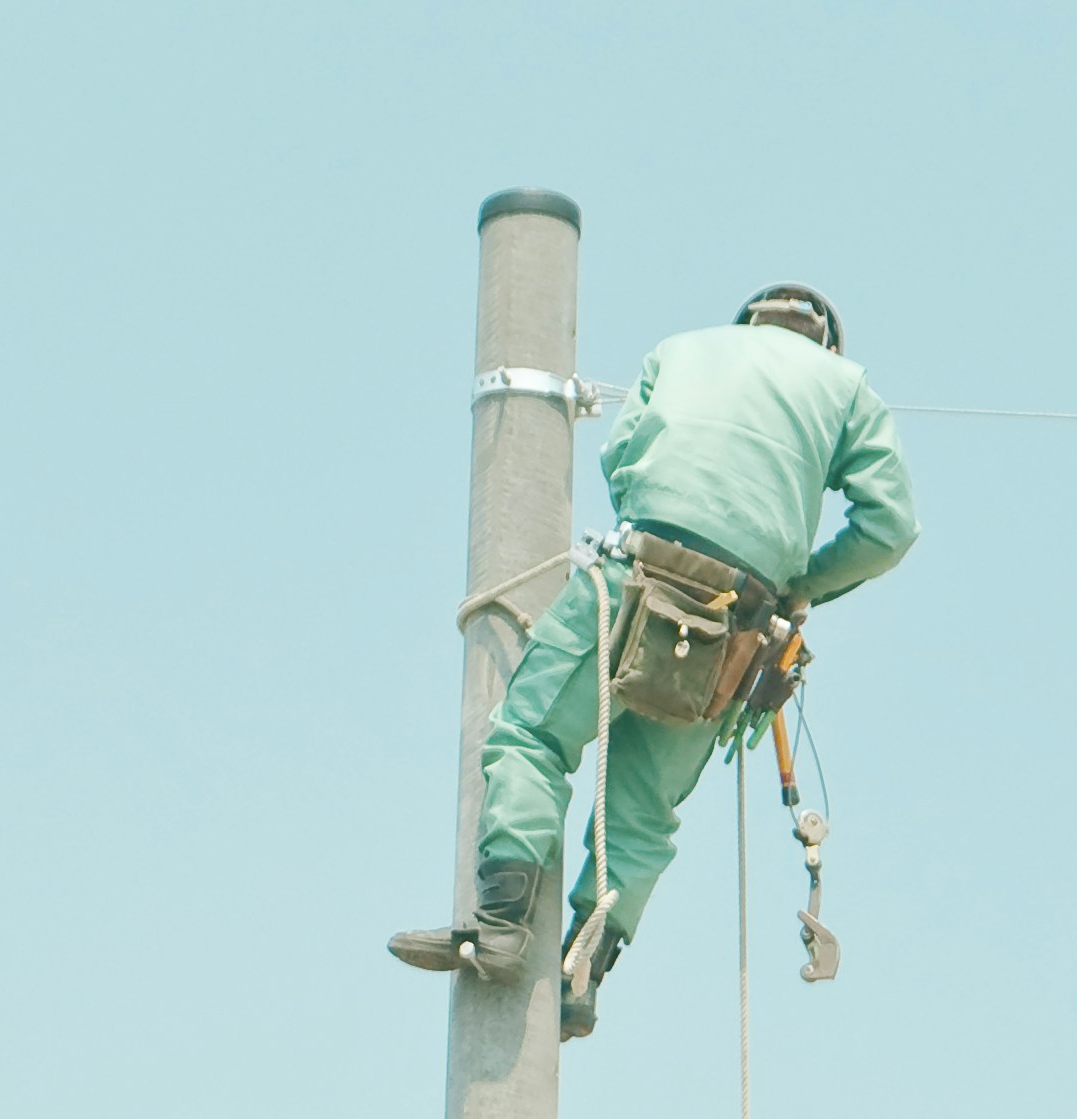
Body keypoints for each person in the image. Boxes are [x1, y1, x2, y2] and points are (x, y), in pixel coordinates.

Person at [390, 286, 917, 1036]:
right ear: (824, 341)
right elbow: (890, 527)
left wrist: (664, 510)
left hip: (635, 577)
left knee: (533, 737)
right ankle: (583, 971)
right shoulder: (847, 385)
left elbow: (622, 452)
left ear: (749, 322)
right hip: (736, 620)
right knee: (642, 806)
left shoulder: (682, 348)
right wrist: (804, 584)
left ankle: (503, 924)